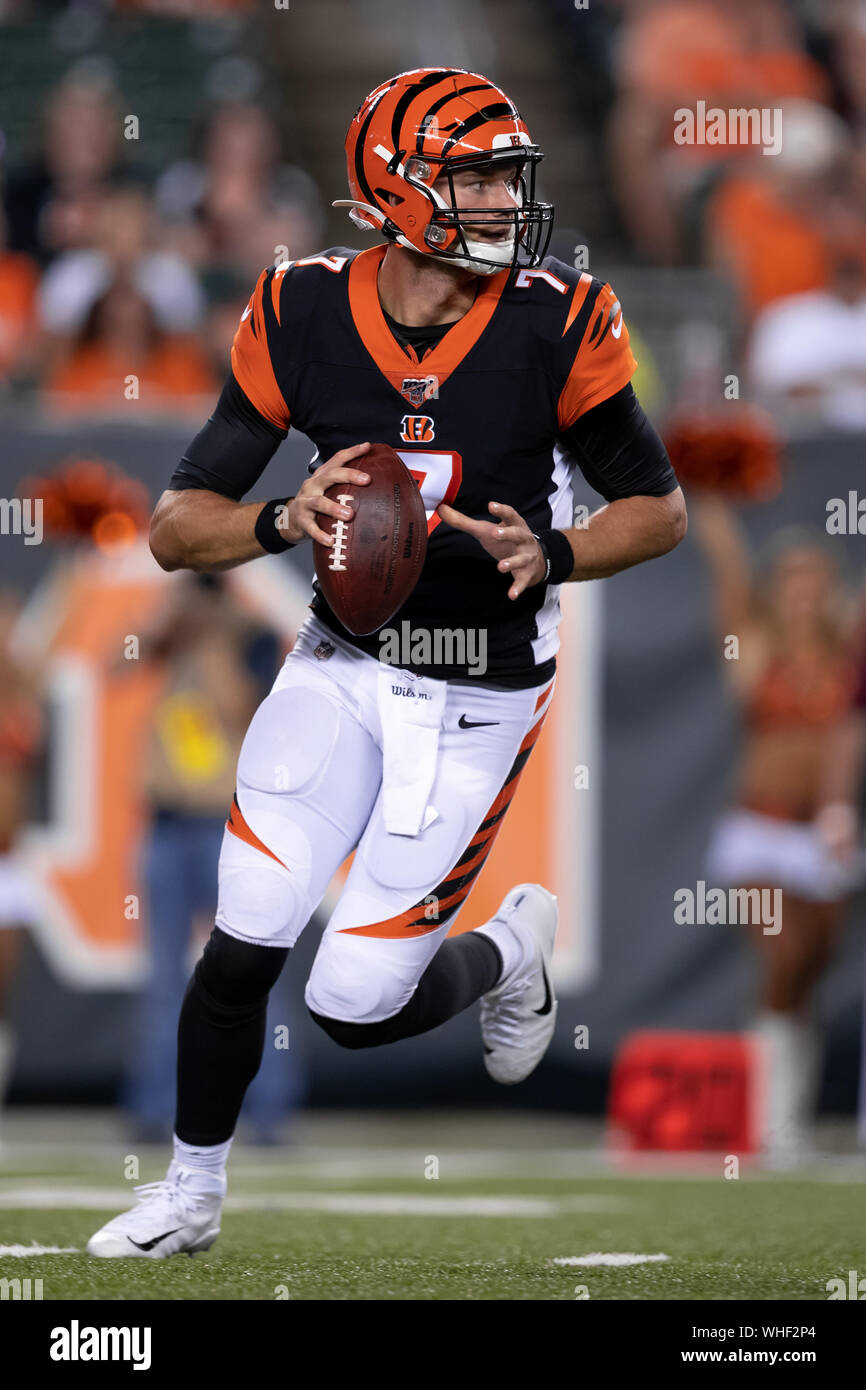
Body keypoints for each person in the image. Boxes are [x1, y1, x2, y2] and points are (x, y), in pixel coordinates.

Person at [87, 67, 686, 1258]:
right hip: (339, 662)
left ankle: (512, 946)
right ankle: (190, 1194)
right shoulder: (301, 309)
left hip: (477, 688)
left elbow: (656, 511)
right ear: (393, 190)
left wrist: (556, 550)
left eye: (505, 175)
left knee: (353, 1006)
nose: (504, 201)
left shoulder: (556, 317)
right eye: (472, 176)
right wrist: (280, 518)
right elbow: (173, 524)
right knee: (245, 928)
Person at [694, 495, 860, 1162]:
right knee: (784, 959)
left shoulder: (848, 654)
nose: (802, 594)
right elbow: (730, 573)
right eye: (791, 580)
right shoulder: (755, 648)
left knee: (814, 968)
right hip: (759, 833)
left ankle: (792, 1116)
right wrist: (709, 505)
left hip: (822, 834)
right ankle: (768, 1124)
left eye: (814, 581)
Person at [122, 572, 301, 1144]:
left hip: (230, 829)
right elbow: (113, 664)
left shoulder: (251, 637)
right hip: (167, 824)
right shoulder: (171, 638)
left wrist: (212, 640)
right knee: (162, 979)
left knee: (249, 971)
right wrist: (164, 631)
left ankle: (268, 1112)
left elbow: (241, 715)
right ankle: (155, 1110)